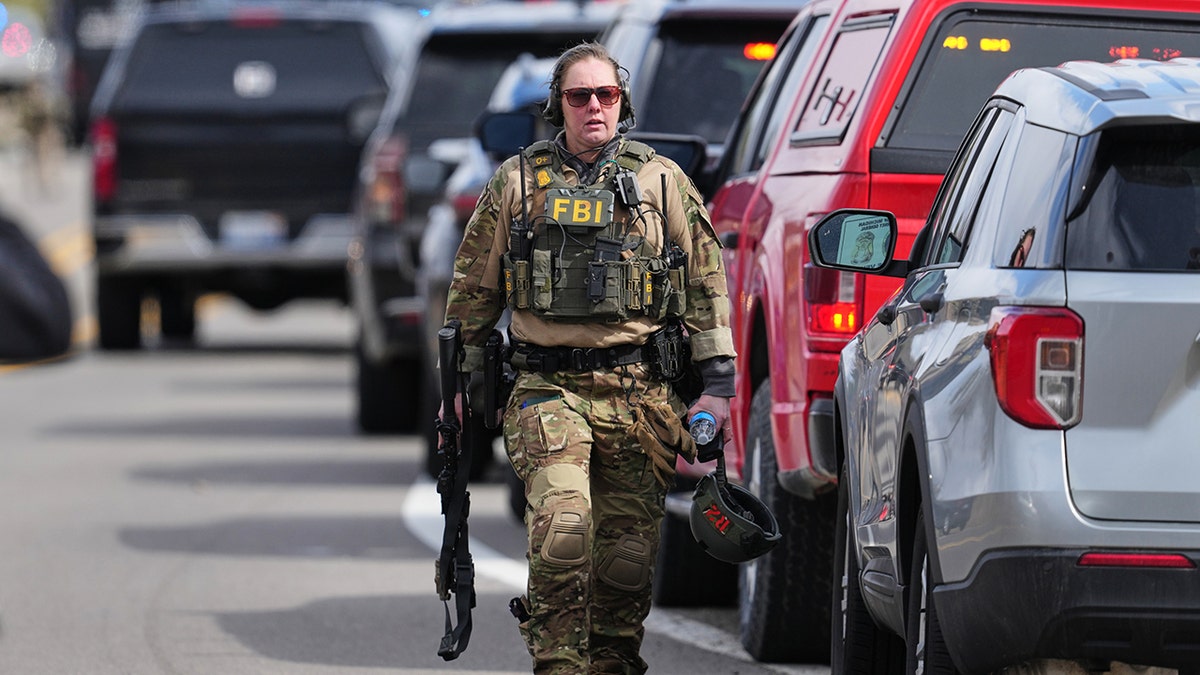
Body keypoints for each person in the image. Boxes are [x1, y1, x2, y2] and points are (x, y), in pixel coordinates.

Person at [443, 42, 736, 673]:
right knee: (564, 529)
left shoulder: (660, 180)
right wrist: (461, 389)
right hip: (548, 391)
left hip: (642, 394)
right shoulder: (518, 181)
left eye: (606, 95)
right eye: (580, 96)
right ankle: (556, 662)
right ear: (559, 106)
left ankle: (610, 661)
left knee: (625, 560)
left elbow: (707, 281)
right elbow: (473, 290)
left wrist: (717, 384)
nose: (594, 107)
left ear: (622, 103)